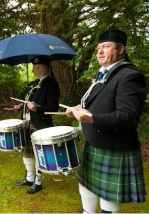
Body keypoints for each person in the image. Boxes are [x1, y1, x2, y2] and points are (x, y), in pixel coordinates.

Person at [65, 29, 146, 213]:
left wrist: (92, 118)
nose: (99, 51)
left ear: (121, 49)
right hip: (94, 142)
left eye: (106, 46)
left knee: (107, 195)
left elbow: (129, 116)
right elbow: (96, 103)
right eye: (99, 47)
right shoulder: (103, 74)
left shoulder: (129, 76)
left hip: (113, 146)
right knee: (85, 185)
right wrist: (78, 108)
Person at [13, 56, 60, 194]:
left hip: (41, 123)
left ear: (44, 68)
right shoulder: (33, 84)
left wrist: (37, 109)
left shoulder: (51, 84)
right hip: (27, 122)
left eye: (37, 67)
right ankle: (29, 178)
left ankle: (38, 182)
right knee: (27, 151)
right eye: (34, 67)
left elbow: (53, 107)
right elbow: (29, 101)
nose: (34, 70)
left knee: (39, 153)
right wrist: (21, 105)